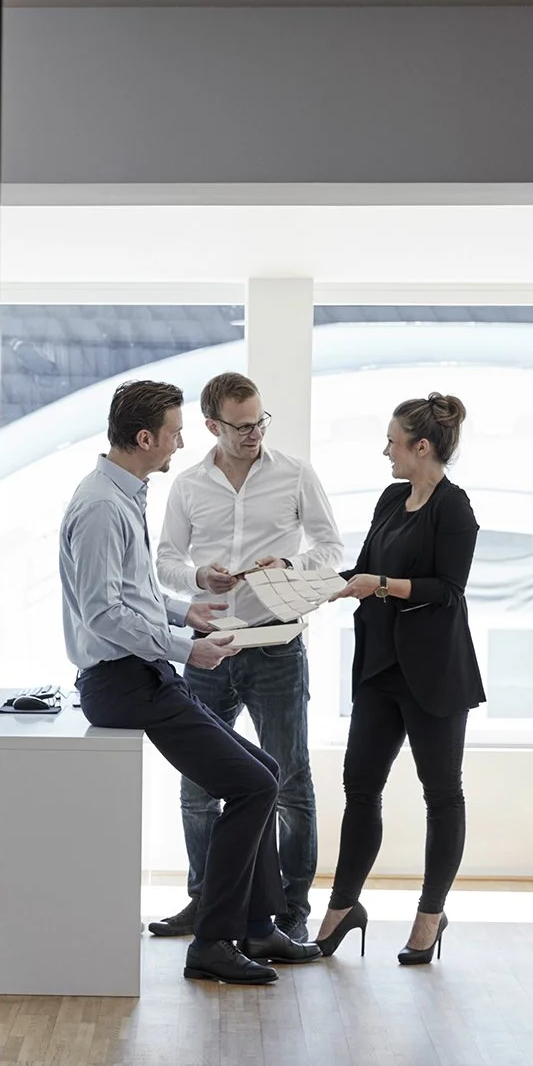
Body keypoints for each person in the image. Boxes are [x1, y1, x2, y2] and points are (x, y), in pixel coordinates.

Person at [60, 379, 327, 984]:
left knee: (263, 771)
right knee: (256, 786)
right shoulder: (103, 505)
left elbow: (134, 592)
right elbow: (103, 614)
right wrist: (187, 647)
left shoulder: (122, 493)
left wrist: (185, 613)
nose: (182, 444)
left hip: (143, 673)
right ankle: (213, 941)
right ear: (146, 437)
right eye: (176, 433)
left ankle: (259, 927)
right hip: (125, 682)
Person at [147, 372, 343, 942]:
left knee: (290, 782)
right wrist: (198, 576)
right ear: (212, 425)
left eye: (260, 421)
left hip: (277, 645)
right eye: (241, 425)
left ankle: (289, 912)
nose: (254, 432)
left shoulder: (295, 474)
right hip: (207, 646)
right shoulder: (186, 485)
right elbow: (164, 561)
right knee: (197, 787)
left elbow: (332, 549)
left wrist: (292, 567)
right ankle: (206, 902)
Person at [313, 393, 487, 965]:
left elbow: (448, 590)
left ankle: (430, 916)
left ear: (422, 447)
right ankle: (342, 908)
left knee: (442, 793)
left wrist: (383, 586)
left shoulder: (454, 508)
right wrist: (298, 578)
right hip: (380, 669)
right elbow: (363, 570)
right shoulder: (391, 498)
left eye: (392, 440)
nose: (385, 450)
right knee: (360, 787)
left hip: (435, 675)